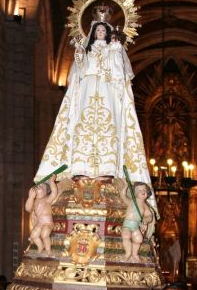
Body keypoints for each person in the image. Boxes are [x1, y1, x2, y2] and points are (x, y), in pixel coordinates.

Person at [33, 20, 155, 209]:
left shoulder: (113, 50)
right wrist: (79, 54)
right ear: (92, 32)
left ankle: (107, 170)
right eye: (97, 30)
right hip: (87, 93)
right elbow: (78, 74)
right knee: (83, 126)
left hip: (108, 94)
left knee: (108, 128)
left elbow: (118, 75)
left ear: (107, 33)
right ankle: (82, 167)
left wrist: (115, 49)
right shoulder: (87, 51)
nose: (99, 32)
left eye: (102, 30)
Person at [119, 181, 156, 262]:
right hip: (127, 224)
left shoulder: (145, 206)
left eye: (144, 190)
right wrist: (125, 186)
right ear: (134, 193)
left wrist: (145, 220)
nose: (143, 192)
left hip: (136, 226)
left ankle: (134, 254)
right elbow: (122, 195)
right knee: (126, 235)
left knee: (139, 239)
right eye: (139, 190)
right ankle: (127, 254)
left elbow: (149, 216)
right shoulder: (131, 202)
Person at [25, 177, 59, 256]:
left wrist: (51, 181)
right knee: (33, 235)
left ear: (46, 191)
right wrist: (30, 197)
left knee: (44, 234)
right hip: (39, 223)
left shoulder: (47, 200)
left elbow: (54, 193)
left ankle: (48, 251)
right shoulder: (34, 201)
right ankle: (41, 246)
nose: (39, 186)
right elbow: (28, 208)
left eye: (42, 186)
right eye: (37, 186)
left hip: (48, 223)